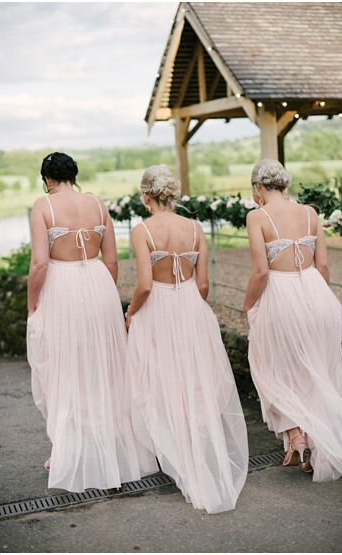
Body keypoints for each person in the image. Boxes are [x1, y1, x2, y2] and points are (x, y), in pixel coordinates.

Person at [26, 152, 156, 492]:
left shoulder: (43, 205)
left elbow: (40, 263)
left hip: (61, 289)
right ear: (74, 175)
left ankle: (70, 451)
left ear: (47, 179)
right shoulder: (98, 204)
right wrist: (101, 294)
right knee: (105, 367)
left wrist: (32, 304)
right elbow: (111, 260)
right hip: (99, 285)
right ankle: (113, 449)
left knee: (66, 368)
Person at [125, 170, 248, 513]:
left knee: (159, 379)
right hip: (193, 307)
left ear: (146, 196)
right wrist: (190, 305)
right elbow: (204, 284)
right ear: (173, 195)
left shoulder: (143, 231)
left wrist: (131, 313)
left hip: (157, 309)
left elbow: (145, 285)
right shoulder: (195, 229)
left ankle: (172, 448)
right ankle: (198, 448)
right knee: (194, 380)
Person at [243, 159, 342, 481]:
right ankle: (318, 450)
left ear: (258, 187)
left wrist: (248, 304)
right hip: (316, 294)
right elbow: (323, 266)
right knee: (317, 371)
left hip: (280, 297)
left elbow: (261, 272)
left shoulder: (257, 217)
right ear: (285, 184)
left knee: (274, 369)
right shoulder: (310, 213)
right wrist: (315, 296)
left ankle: (296, 436)